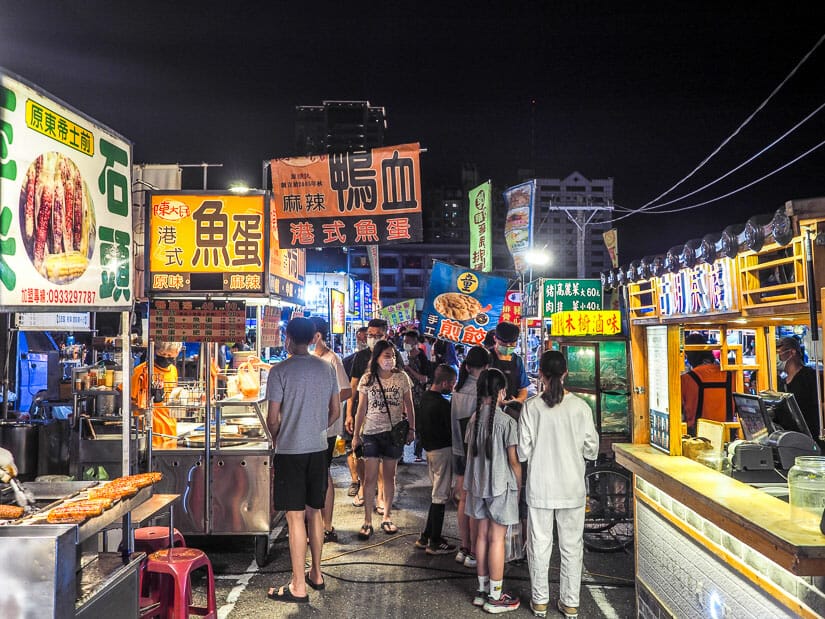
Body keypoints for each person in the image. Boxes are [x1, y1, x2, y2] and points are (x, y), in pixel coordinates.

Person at [518, 350, 598, 619]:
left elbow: (522, 452)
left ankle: (540, 602)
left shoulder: (531, 407)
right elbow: (592, 449)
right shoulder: (581, 407)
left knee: (539, 545)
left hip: (540, 488)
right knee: (572, 546)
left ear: (540, 374)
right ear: (566, 373)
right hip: (572, 488)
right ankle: (570, 603)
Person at [265, 317, 340, 604]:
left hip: (290, 452)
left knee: (295, 518)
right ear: (312, 339)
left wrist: (277, 438)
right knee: (315, 512)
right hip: (318, 450)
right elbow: (334, 410)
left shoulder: (279, 371)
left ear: (287, 338)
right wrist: (317, 428)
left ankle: (298, 585)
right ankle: (317, 573)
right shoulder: (326, 367)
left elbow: (273, 419)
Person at [464, 368, 522, 613]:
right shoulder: (507, 422)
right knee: (497, 539)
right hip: (500, 486)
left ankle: (481, 590)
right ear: (501, 392)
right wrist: (519, 487)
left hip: (477, 486)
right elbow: (514, 461)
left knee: (482, 537)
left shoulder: (473, 420)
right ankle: (496, 597)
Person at [351, 339, 415, 540]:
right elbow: (361, 408)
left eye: (393, 356)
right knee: (369, 479)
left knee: (390, 477)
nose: (391, 359)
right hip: (371, 432)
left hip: (393, 434)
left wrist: (412, 429)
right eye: (387, 356)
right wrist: (356, 435)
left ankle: (387, 517)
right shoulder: (367, 379)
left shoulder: (402, 378)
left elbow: (410, 405)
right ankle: (367, 520)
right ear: (377, 358)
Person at [346, 318, 404, 507]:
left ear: (385, 335)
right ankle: (363, 486)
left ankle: (380, 494)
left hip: (387, 417)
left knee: (383, 458)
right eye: (370, 335)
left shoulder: (394, 355)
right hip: (363, 414)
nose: (372, 338)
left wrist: (404, 416)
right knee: (361, 453)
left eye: (377, 335)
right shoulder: (360, 356)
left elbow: (402, 386)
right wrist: (349, 413)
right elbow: (353, 386)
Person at [310, 316, 353, 543]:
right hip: (310, 426)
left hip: (326, 428)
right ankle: (317, 524)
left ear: (317, 336)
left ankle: (327, 527)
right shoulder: (308, 358)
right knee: (315, 474)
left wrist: (326, 402)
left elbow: (346, 391)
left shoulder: (331, 359)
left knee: (322, 474)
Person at [450, 345, 491, 567]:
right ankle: (475, 551)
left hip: (458, 450)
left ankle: (464, 547)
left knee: (463, 499)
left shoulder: (457, 391)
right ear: (486, 367)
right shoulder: (482, 393)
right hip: (476, 453)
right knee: (476, 501)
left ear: (466, 366)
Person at [415, 364, 458, 555]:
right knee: (440, 497)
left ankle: (426, 536)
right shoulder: (442, 404)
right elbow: (451, 429)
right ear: (444, 383)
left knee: (436, 495)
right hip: (443, 452)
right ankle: (434, 542)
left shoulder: (424, 398)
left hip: (430, 452)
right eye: (452, 383)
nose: (453, 387)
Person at [131, 341, 182, 447]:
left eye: (169, 355)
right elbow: (126, 400)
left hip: (170, 433)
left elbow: (173, 399)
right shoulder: (142, 371)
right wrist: (143, 409)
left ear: (176, 353)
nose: (166, 358)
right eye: (163, 354)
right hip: (151, 434)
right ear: (156, 351)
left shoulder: (173, 370)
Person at [680, 332, 733, 435]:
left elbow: (678, 409)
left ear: (688, 356)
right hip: (727, 434)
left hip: (697, 438)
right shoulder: (731, 376)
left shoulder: (686, 379)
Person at [778, 335, 822, 443]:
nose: (777, 357)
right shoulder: (780, 381)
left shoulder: (810, 377)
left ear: (792, 352)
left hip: (810, 438)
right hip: (786, 439)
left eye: (779, 352)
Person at [341, 326, 368, 498]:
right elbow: (347, 387)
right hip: (353, 406)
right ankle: (354, 480)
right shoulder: (349, 360)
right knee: (351, 446)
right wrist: (349, 413)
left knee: (369, 450)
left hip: (371, 411)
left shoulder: (382, 358)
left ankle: (368, 484)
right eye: (365, 336)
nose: (366, 339)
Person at [402, 329, 432, 463]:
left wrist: (410, 370)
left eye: (408, 341)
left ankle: (418, 452)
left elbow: (425, 379)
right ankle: (400, 454)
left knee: (418, 425)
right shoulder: (403, 356)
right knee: (402, 423)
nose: (406, 343)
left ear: (415, 342)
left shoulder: (422, 358)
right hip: (403, 396)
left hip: (418, 396)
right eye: (404, 341)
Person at [490, 322, 529, 403]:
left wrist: (517, 401)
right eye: (504, 342)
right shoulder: (487, 357)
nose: (508, 346)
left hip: (510, 409)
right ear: (495, 338)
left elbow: (523, 389)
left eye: (512, 343)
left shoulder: (517, 361)